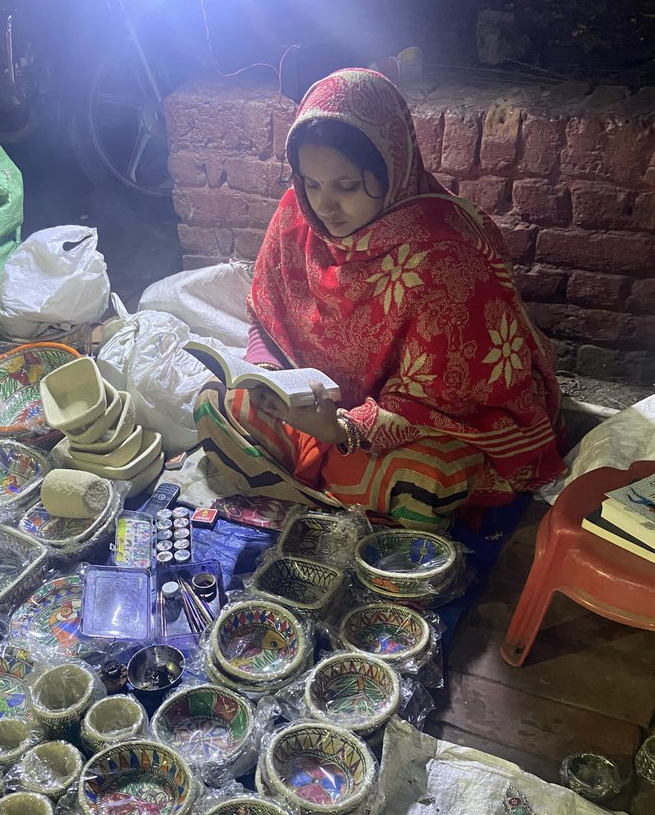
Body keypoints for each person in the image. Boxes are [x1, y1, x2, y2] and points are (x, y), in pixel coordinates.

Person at [194, 67, 567, 529]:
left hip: (403, 430)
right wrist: (268, 376)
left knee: (427, 478)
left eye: (347, 186)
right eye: (312, 183)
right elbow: (265, 318)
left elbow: (450, 402)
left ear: (393, 165)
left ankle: (304, 481)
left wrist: (344, 430)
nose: (325, 206)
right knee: (216, 401)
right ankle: (322, 486)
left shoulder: (444, 257)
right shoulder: (297, 216)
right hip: (311, 411)